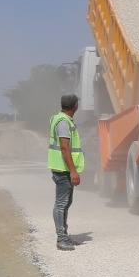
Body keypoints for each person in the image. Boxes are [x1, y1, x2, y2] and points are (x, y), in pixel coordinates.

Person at [48, 94, 85, 251]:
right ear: (75, 105)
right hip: (63, 169)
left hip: (62, 168)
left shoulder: (59, 118)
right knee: (61, 203)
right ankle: (61, 239)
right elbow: (64, 148)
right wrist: (73, 171)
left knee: (65, 203)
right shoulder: (63, 122)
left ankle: (64, 235)